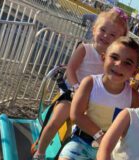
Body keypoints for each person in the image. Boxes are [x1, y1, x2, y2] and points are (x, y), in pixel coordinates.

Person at [32, 7, 129, 160]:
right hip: (73, 94)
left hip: (93, 102)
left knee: (93, 130)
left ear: (119, 40)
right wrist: (77, 88)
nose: (106, 36)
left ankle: (76, 151)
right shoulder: (85, 49)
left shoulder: (112, 60)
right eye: (103, 30)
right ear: (94, 29)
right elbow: (70, 69)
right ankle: (40, 152)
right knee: (55, 122)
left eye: (112, 35)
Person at [58, 36, 139, 160]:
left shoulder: (134, 97)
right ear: (103, 58)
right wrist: (100, 136)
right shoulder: (90, 83)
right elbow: (76, 115)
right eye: (114, 57)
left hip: (112, 150)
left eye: (127, 63)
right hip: (82, 141)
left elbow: (132, 128)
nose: (119, 64)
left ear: (135, 72)